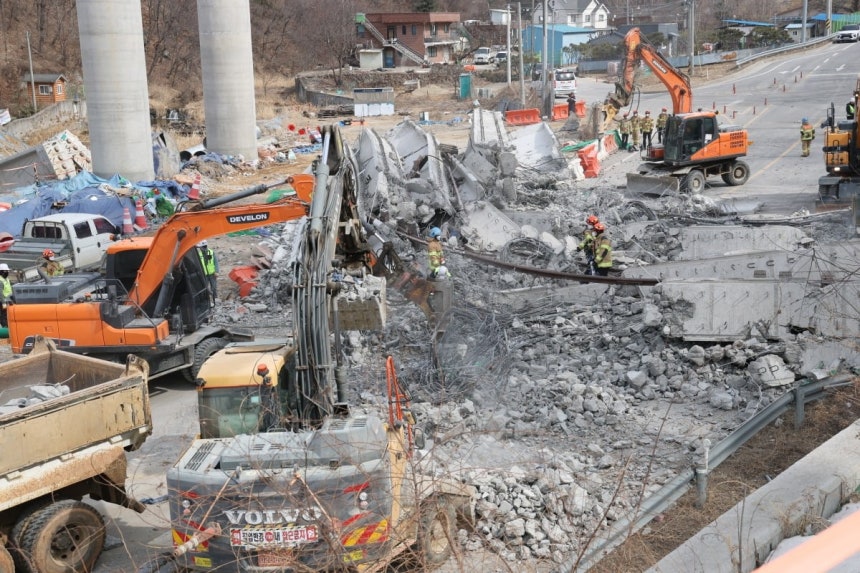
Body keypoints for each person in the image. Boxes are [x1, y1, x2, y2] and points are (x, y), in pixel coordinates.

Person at [0, 263, 11, 328]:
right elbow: (0, 293)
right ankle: (5, 328)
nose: (7, 272)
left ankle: (7, 327)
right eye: (5, 271)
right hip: (2, 301)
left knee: (7, 315)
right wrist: (3, 302)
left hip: (8, 300)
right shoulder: (0, 280)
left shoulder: (6, 279)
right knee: (3, 315)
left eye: (7, 271)